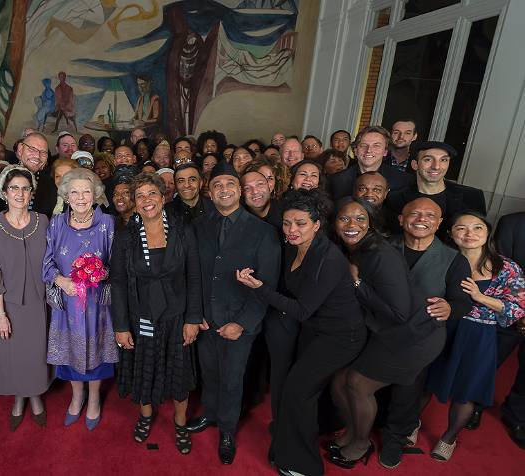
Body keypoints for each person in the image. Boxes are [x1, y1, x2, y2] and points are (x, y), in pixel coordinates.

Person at [237, 189, 366, 476]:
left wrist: (259, 288)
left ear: (317, 225)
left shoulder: (328, 258)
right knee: (290, 389)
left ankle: (304, 465)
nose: (291, 230)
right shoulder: (296, 247)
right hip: (316, 331)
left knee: (298, 392)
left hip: (341, 337)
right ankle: (286, 441)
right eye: (286, 223)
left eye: (300, 223)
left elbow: (302, 309)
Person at [325, 198, 447, 469]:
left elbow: (398, 312)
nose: (352, 224)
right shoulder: (356, 248)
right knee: (339, 382)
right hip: (388, 333)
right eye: (344, 218)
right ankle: (353, 432)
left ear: (371, 223)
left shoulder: (380, 253)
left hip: (415, 336)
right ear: (334, 223)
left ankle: (361, 444)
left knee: (357, 384)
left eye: (360, 218)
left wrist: (356, 283)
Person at [187, 162, 280, 465]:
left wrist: (241, 323)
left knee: (232, 378)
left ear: (239, 190)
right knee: (209, 373)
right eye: (217, 185)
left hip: (239, 321)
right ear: (209, 192)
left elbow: (268, 284)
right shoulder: (198, 226)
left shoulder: (263, 232)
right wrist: (195, 313)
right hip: (206, 318)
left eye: (229, 184)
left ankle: (227, 430)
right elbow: (193, 274)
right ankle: (210, 414)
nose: (224, 189)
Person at [377, 197, 472, 469]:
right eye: (414, 213)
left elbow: (463, 302)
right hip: (379, 330)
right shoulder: (381, 247)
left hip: (420, 337)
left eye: (430, 215)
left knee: (407, 391)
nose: (421, 219)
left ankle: (395, 438)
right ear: (401, 219)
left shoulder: (454, 260)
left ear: (439, 223)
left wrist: (450, 307)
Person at [112, 173, 201, 454]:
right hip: (141, 316)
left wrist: (193, 319)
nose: (146, 200)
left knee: (178, 371)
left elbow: (194, 277)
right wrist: (121, 326)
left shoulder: (183, 231)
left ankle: (180, 422)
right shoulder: (126, 236)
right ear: (134, 203)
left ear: (163, 198)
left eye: (152, 193)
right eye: (140, 196)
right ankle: (146, 415)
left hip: (176, 316)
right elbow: (118, 282)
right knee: (145, 367)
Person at [423, 212, 524, 461]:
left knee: (466, 390)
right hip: (441, 327)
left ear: (488, 233)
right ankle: (409, 424)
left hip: (479, 334)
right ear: (450, 233)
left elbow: (518, 307)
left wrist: (480, 297)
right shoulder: (441, 258)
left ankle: (448, 438)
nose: (470, 234)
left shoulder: (507, 267)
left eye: (477, 228)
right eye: (461, 228)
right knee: (424, 380)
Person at [43, 168, 117, 430]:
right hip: (68, 304)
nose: (81, 197)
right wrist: (62, 281)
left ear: (95, 194)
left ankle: (94, 398)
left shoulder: (108, 223)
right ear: (66, 196)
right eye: (74, 192)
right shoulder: (56, 223)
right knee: (70, 351)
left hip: (97, 304)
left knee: (97, 351)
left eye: (86, 191)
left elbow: (118, 265)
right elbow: (47, 264)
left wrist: (101, 273)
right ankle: (77, 397)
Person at [0, 166, 53, 431]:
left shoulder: (43, 221)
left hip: (39, 303)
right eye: (14, 188)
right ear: (4, 192)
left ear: (31, 192)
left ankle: (34, 398)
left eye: (25, 188)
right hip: (7, 304)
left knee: (35, 355)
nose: (20, 193)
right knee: (14, 355)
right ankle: (20, 399)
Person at [387, 141, 487, 239]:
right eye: (428, 160)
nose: (436, 166)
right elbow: (394, 237)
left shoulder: (472, 197)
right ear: (415, 164)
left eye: (443, 160)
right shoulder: (395, 198)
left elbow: (479, 237)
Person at [494, 211, 525, 448]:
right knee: (489, 360)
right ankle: (475, 404)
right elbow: (501, 270)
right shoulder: (512, 223)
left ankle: (516, 416)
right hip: (508, 309)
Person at [329, 126, 410, 200]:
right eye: (364, 145)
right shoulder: (335, 181)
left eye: (376, 145)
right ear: (355, 150)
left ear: (385, 151)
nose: (369, 150)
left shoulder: (403, 181)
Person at [17, 133, 57, 217]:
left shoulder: (50, 185)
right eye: (32, 149)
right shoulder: (0, 178)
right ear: (20, 149)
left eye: (43, 152)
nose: (37, 156)